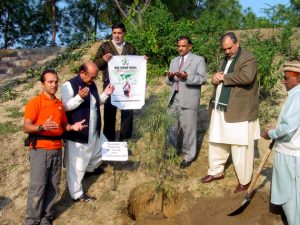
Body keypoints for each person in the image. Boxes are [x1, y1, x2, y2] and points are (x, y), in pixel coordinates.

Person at [23, 69, 87, 225]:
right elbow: (26, 127)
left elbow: (63, 125)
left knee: (53, 186)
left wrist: (73, 127)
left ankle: (47, 217)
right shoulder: (35, 102)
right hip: (40, 149)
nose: (54, 85)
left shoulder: (59, 104)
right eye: (50, 82)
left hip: (57, 149)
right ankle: (32, 220)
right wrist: (42, 127)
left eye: (56, 81)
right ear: (43, 84)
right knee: (38, 187)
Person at [201, 32, 260, 193]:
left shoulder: (248, 58)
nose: (227, 52)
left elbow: (247, 77)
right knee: (217, 140)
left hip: (239, 110)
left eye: (229, 48)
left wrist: (223, 77)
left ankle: (244, 180)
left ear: (237, 43)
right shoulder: (225, 59)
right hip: (221, 107)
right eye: (224, 49)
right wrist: (214, 79)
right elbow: (220, 78)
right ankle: (216, 171)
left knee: (240, 146)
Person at [61, 62, 114, 202]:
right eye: (92, 77)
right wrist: (79, 98)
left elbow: (95, 103)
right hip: (78, 132)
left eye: (95, 77)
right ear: (82, 73)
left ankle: (90, 170)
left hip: (94, 130)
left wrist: (105, 94)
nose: (94, 80)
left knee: (103, 149)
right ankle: (77, 195)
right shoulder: (68, 85)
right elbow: (64, 107)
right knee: (77, 166)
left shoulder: (91, 84)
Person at [261, 62, 300, 225]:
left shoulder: (297, 98)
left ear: (298, 78)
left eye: (286, 78)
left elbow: (288, 128)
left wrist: (270, 133)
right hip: (292, 151)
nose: (283, 82)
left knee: (291, 196)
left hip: (291, 153)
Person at [165, 36, 206, 169]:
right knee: (171, 127)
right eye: (179, 46)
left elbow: (202, 79)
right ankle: (172, 151)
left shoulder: (198, 60)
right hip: (174, 98)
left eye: (183, 46)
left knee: (189, 130)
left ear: (190, 46)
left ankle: (189, 156)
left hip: (189, 99)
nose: (180, 48)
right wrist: (170, 77)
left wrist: (187, 77)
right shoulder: (174, 60)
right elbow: (167, 81)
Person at [94, 23, 136, 141]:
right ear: (112, 33)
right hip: (110, 84)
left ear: (124, 33)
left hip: (127, 84)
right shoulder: (104, 46)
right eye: (114, 33)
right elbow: (95, 64)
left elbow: (136, 65)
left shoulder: (130, 47)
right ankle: (108, 142)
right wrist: (103, 60)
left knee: (127, 113)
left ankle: (125, 141)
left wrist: (143, 60)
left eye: (119, 33)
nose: (117, 36)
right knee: (109, 113)